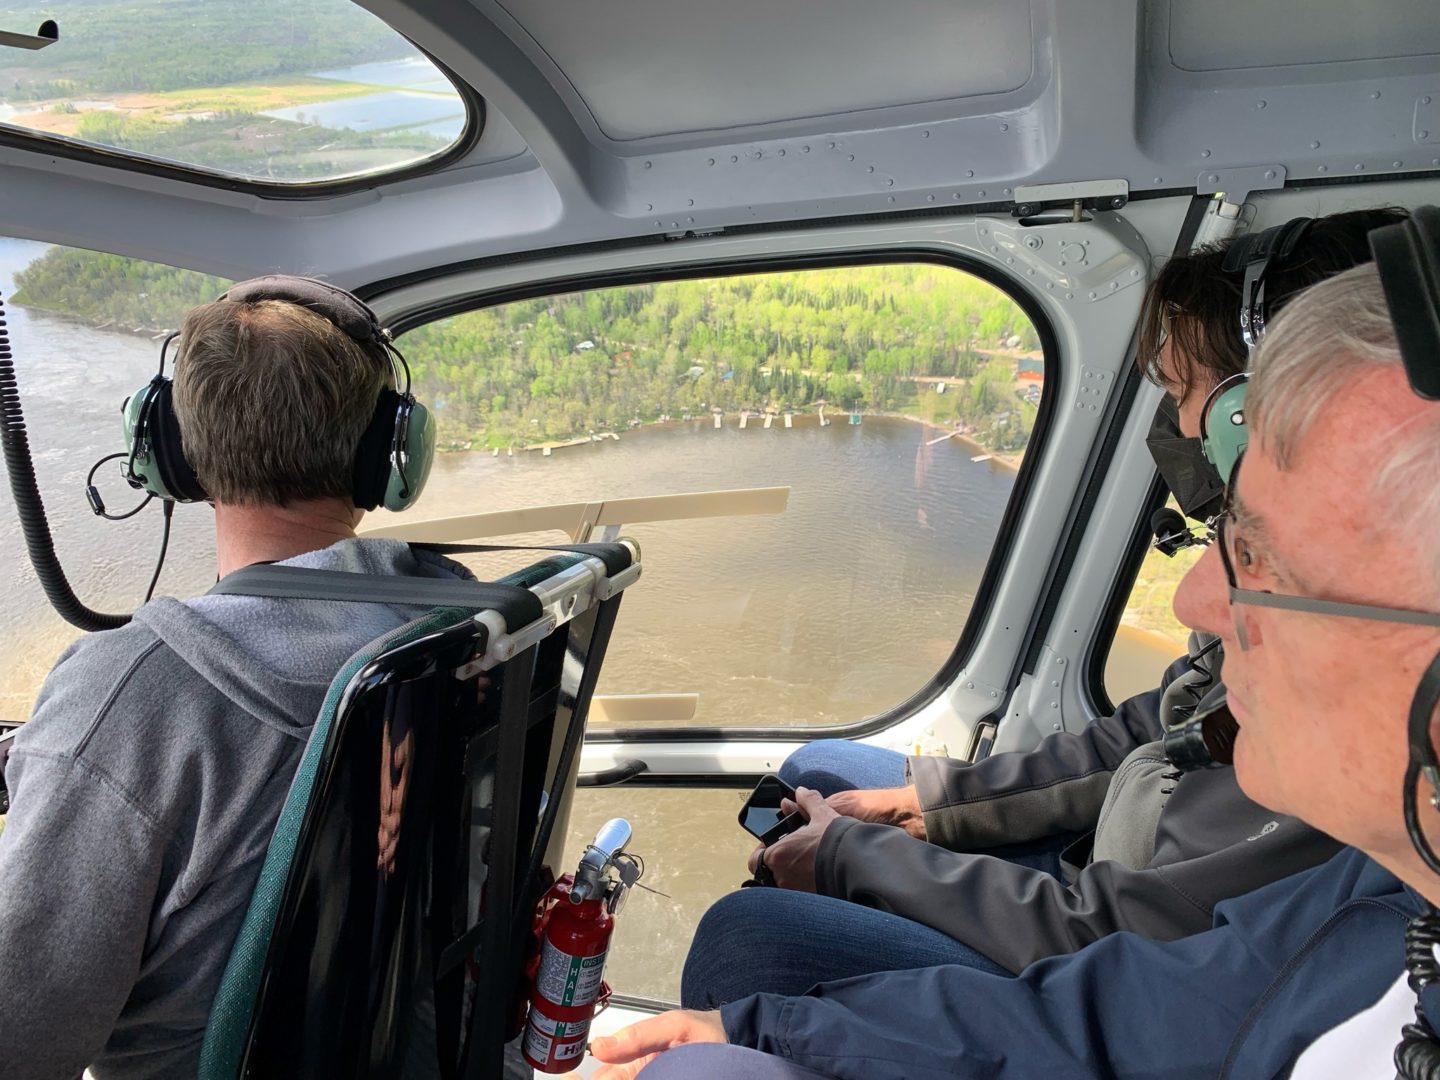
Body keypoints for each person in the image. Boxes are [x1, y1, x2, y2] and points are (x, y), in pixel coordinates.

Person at [583, 222, 1440, 1079]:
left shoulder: (1358, 870)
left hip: (1105, 906)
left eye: (1259, 556)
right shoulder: (1372, 902)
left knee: (752, 939)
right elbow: (1160, 990)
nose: (1196, 599)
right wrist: (926, 806)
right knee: (825, 775)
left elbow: (1126, 947)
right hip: (1113, 874)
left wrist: (857, 859)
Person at [0, 278, 468, 1079]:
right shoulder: (460, 625)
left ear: (169, 454)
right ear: (386, 454)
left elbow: (19, 1041)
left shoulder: (133, 696)